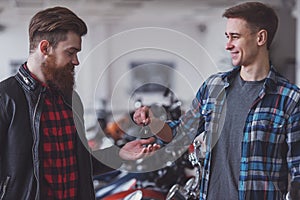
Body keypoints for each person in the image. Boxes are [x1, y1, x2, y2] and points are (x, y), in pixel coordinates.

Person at [133, 2, 300, 200]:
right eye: (227, 37)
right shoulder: (214, 87)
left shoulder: (289, 99)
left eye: (235, 37)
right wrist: (154, 122)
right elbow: (181, 135)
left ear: (260, 38)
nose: (228, 45)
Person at [0, 6, 159, 200]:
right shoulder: (6, 97)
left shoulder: (70, 99)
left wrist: (120, 155)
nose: (76, 61)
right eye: (71, 52)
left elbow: (80, 163)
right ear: (45, 48)